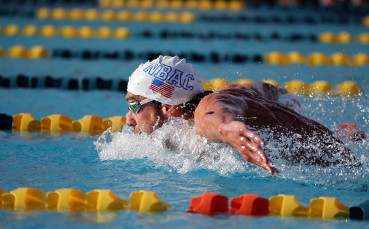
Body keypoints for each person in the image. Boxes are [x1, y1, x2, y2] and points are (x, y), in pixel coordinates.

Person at [125, 55, 358, 175]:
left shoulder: (206, 109)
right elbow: (265, 87)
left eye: (135, 105)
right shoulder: (234, 92)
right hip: (341, 157)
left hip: (342, 173)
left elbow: (215, 117)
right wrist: (286, 99)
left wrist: (227, 129)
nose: (128, 118)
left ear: (168, 106)